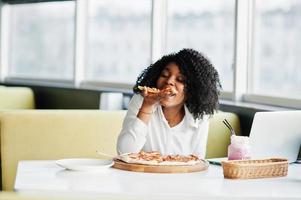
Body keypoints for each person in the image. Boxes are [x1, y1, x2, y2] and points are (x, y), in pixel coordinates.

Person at [117, 48, 221, 158]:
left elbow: (197, 160)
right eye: (165, 75)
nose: (169, 81)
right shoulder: (141, 100)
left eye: (180, 79)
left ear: (193, 90)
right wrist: (147, 106)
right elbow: (124, 152)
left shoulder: (200, 115)